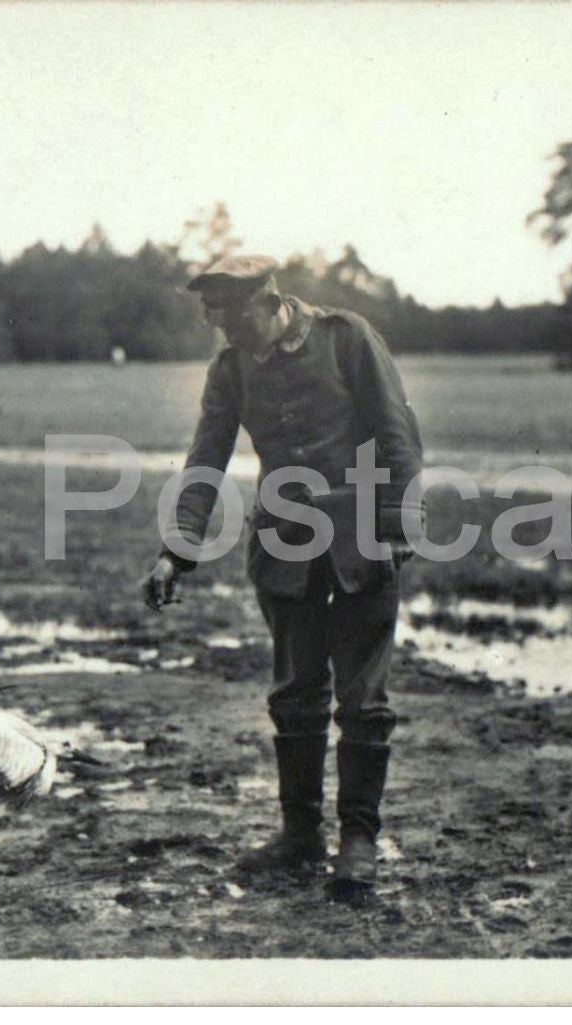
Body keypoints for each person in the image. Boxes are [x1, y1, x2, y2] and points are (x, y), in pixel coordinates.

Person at [140, 254, 424, 902]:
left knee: (363, 700)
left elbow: (397, 431)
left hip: (360, 543)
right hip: (284, 551)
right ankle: (300, 836)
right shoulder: (230, 369)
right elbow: (204, 461)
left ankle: (358, 841)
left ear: (265, 301)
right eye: (209, 311)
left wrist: (399, 520)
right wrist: (174, 553)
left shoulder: (345, 338)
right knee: (294, 693)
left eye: (225, 310)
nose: (215, 323)